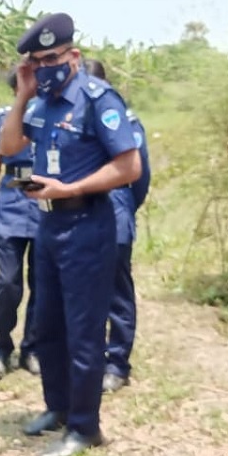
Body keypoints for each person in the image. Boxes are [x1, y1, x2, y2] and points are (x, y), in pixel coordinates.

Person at [0, 13, 141, 456]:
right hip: (49, 224)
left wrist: (72, 188)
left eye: (52, 58)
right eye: (36, 61)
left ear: (73, 55)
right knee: (48, 325)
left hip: (87, 224)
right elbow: (8, 148)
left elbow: (129, 166)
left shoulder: (98, 99)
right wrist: (21, 97)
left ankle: (85, 427)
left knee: (82, 330)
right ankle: (56, 407)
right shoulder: (40, 103)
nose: (45, 67)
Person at [83, 59, 152, 394]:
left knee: (116, 294)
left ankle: (118, 363)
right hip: (78, 217)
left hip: (114, 213)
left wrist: (125, 206)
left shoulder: (123, 120)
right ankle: (91, 358)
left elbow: (139, 175)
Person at [0, 72, 41, 381]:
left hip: (45, 202)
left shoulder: (51, 114)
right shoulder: (3, 117)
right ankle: (1, 347)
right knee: (8, 282)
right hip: (11, 204)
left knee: (41, 282)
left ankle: (32, 349)